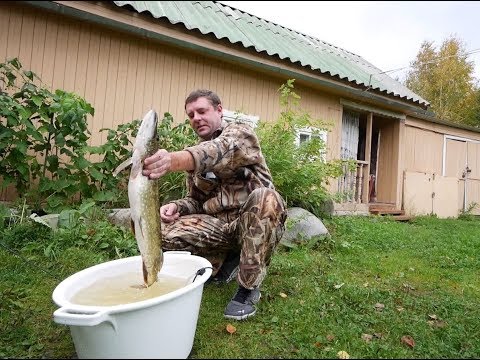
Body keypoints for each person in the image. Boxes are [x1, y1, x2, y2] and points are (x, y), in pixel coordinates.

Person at [142, 89, 287, 320]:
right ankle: (225, 261)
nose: (196, 118)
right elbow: (196, 201)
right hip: (220, 229)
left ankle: (248, 288)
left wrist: (173, 160)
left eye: (201, 111)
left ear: (219, 110)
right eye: (190, 115)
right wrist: (177, 207)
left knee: (266, 199)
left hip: (251, 223)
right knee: (159, 229)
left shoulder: (240, 134)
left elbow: (217, 151)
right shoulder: (194, 156)